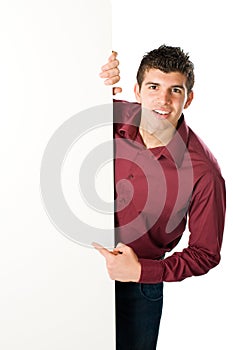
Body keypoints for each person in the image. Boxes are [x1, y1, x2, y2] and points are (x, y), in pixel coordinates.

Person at [94, 46, 226, 349]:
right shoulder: (110, 115)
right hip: (73, 267)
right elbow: (56, 99)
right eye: (153, 87)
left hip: (140, 287)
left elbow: (206, 253)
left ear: (188, 98)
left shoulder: (204, 171)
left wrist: (142, 270)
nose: (163, 101)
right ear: (138, 90)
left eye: (174, 90)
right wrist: (96, 69)